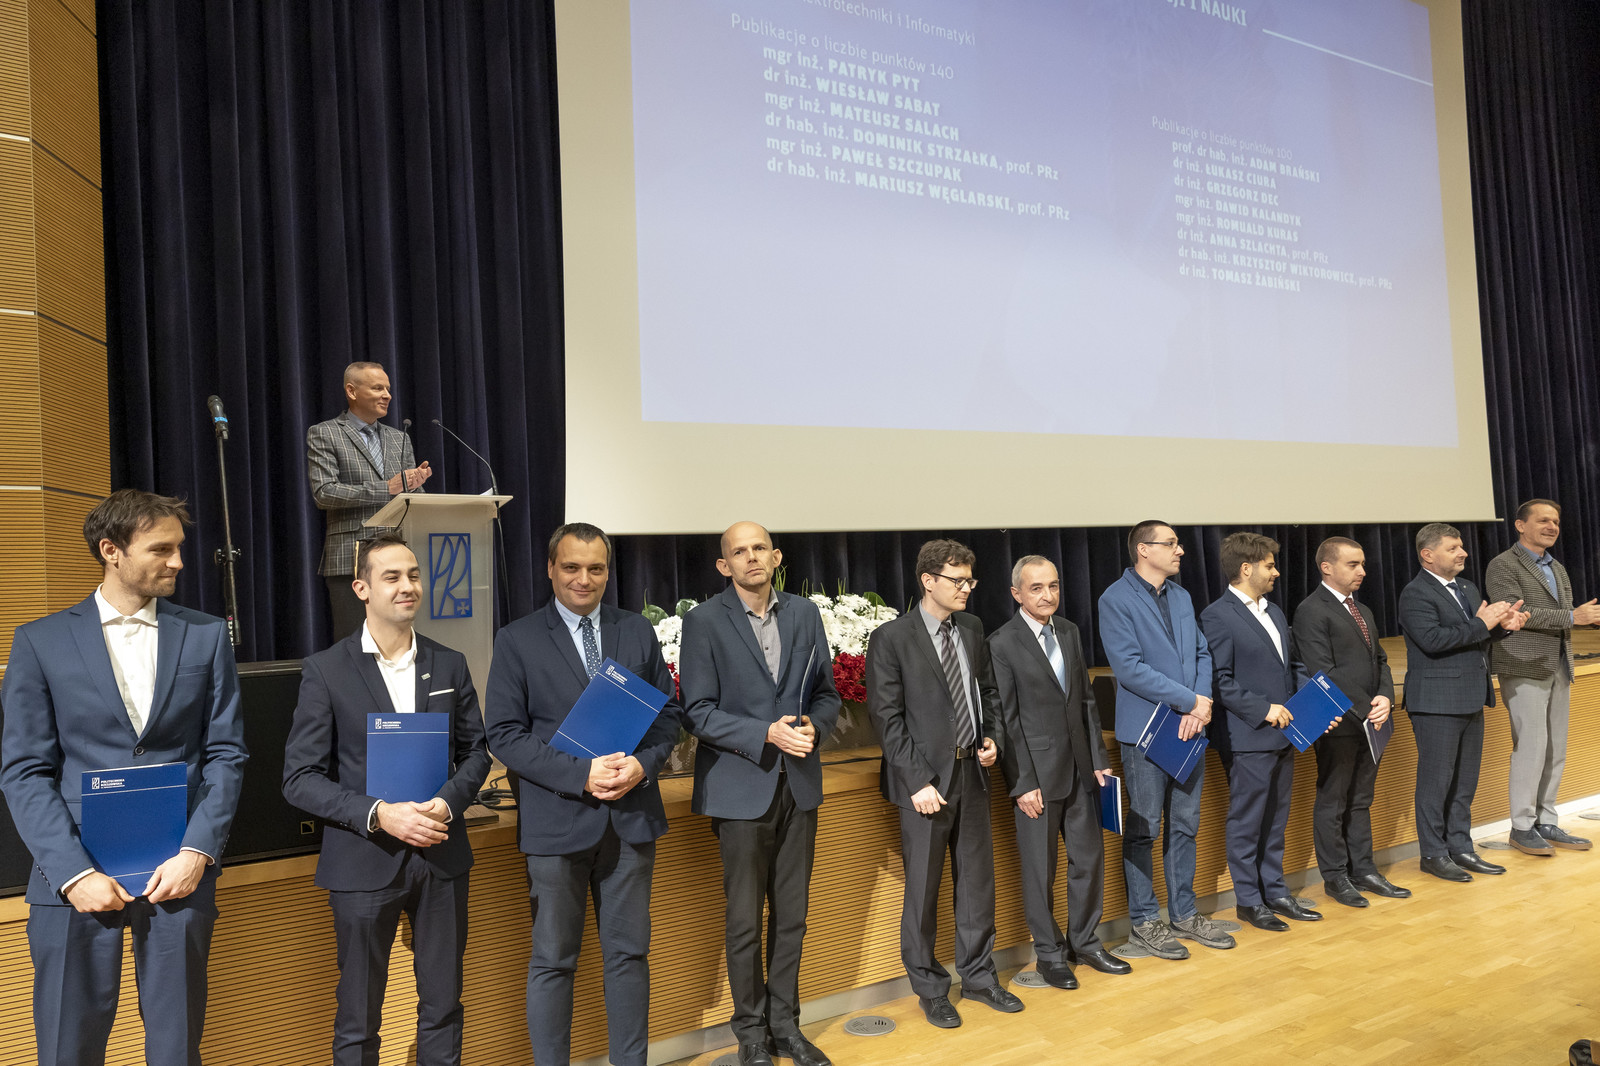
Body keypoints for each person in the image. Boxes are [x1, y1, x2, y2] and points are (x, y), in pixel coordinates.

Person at [0, 489, 249, 1066]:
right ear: (111, 550)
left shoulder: (206, 635)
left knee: (176, 1048)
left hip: (178, 875)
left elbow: (227, 754)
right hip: (75, 879)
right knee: (67, 1048)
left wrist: (197, 853)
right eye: (161, 549)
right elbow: (25, 771)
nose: (178, 562)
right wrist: (73, 874)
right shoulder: (40, 641)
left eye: (179, 548)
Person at [282, 533, 491, 1066]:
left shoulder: (449, 663)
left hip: (441, 854)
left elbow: (477, 752)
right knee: (358, 1018)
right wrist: (379, 815)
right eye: (392, 577)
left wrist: (448, 803)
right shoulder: (326, 669)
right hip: (363, 859)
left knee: (443, 1007)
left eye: (414, 575)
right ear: (362, 589)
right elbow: (300, 778)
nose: (407, 586)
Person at [483, 523, 685, 1066]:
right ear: (550, 569)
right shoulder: (517, 639)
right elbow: (504, 734)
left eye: (596, 568)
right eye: (571, 567)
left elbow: (667, 714)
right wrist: (582, 775)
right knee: (553, 961)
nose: (584, 579)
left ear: (608, 572)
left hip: (631, 820)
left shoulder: (635, 630)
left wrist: (643, 766)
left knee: (629, 957)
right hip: (557, 823)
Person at [679, 522, 841, 1066]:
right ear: (724, 565)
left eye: (759, 549)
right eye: (739, 552)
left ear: (776, 557)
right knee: (746, 921)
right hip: (739, 789)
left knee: (792, 917)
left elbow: (826, 694)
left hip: (799, 785)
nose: (751, 558)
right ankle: (750, 1033)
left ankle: (785, 1026)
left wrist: (816, 725)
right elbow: (697, 712)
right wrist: (764, 733)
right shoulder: (704, 621)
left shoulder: (804, 614)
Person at [865, 539, 1024, 1029]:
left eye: (970, 580)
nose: (967, 589)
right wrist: (916, 780)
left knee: (977, 884)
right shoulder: (892, 637)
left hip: (972, 774)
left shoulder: (972, 628)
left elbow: (988, 693)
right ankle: (931, 989)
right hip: (924, 784)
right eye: (958, 580)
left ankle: (978, 977)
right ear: (928, 581)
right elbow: (886, 718)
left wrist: (992, 738)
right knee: (923, 891)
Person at [989, 555, 1130, 989]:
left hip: (1082, 771)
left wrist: (1099, 759)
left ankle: (1085, 942)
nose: (1047, 595)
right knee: (1040, 871)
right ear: (1016, 593)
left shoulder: (1068, 631)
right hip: (1036, 778)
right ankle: (1049, 954)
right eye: (1036, 588)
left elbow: (1085, 702)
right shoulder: (1001, 643)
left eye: (1053, 586)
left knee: (1089, 861)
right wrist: (1022, 782)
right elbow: (1006, 719)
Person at [1097, 520, 1235, 959]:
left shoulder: (1181, 595)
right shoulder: (1115, 599)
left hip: (1190, 728)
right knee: (1145, 830)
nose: (1180, 550)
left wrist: (1201, 704)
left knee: (1185, 825)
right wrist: (1189, 701)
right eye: (1170, 543)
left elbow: (1201, 653)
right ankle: (1144, 922)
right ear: (1143, 549)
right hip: (1147, 732)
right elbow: (1130, 668)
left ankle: (1184, 914)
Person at [1200, 532, 1319, 932]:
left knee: (1276, 819)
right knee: (1247, 822)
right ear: (1246, 568)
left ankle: (1276, 891)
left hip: (1284, 734)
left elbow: (1292, 667)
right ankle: (1249, 901)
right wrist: (1264, 709)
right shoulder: (1217, 615)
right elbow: (1218, 680)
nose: (1276, 572)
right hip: (1248, 736)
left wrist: (1316, 705)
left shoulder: (1276, 612)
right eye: (1269, 566)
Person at [1398, 522, 1528, 883]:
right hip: (1436, 701)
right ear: (1428, 555)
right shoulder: (1415, 593)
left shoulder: (1467, 588)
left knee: (1464, 781)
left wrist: (1503, 627)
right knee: (1436, 782)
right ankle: (1433, 853)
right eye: (1453, 548)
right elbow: (1433, 640)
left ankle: (1461, 847)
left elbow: (1476, 636)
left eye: (1461, 546)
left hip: (1471, 695)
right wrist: (1484, 623)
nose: (1463, 553)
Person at [1290, 536, 1409, 907]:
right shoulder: (1311, 610)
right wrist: (1366, 706)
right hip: (1340, 722)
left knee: (1360, 798)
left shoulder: (1363, 609)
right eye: (1353, 564)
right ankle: (1335, 876)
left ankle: (1364, 869)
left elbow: (1380, 661)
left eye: (1362, 564)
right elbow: (1322, 671)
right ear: (1327, 567)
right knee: (1334, 800)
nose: (1363, 571)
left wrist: (1385, 697)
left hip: (1370, 721)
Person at [1484, 499, 1599, 855]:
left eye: (1556, 522)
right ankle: (1521, 826)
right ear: (1520, 525)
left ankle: (1546, 820)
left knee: (1555, 748)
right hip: (1523, 664)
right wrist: (1573, 617)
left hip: (1558, 664)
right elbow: (1513, 612)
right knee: (1531, 747)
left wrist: (1575, 619)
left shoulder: (1557, 567)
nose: (1552, 527)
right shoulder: (1503, 564)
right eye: (1543, 520)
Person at [308, 360, 432, 638]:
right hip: (350, 558)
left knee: (399, 641)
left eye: (388, 388)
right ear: (352, 391)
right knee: (355, 644)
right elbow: (324, 493)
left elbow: (408, 500)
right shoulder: (325, 433)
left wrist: (416, 488)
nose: (387, 395)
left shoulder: (399, 438)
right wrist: (387, 488)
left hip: (398, 557)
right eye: (378, 388)